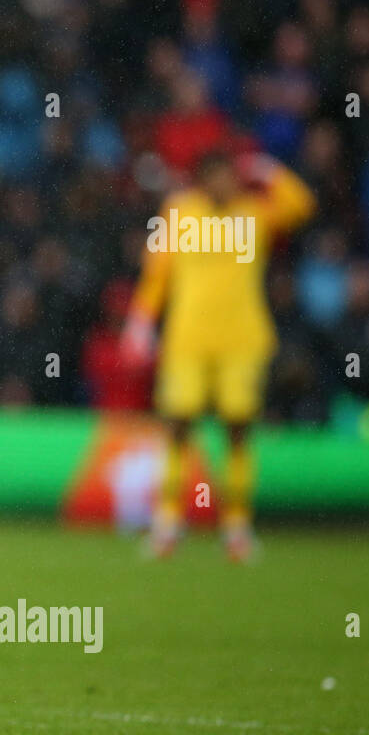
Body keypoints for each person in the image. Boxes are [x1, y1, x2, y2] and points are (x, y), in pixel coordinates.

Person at [122, 148, 315, 561]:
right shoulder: (178, 212)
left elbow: (302, 205)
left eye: (229, 175)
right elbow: (157, 272)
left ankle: (237, 526)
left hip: (242, 339)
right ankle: (167, 523)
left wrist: (266, 167)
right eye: (214, 176)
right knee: (178, 426)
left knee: (238, 429)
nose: (222, 183)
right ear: (202, 180)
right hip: (187, 339)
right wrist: (139, 322)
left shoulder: (254, 214)